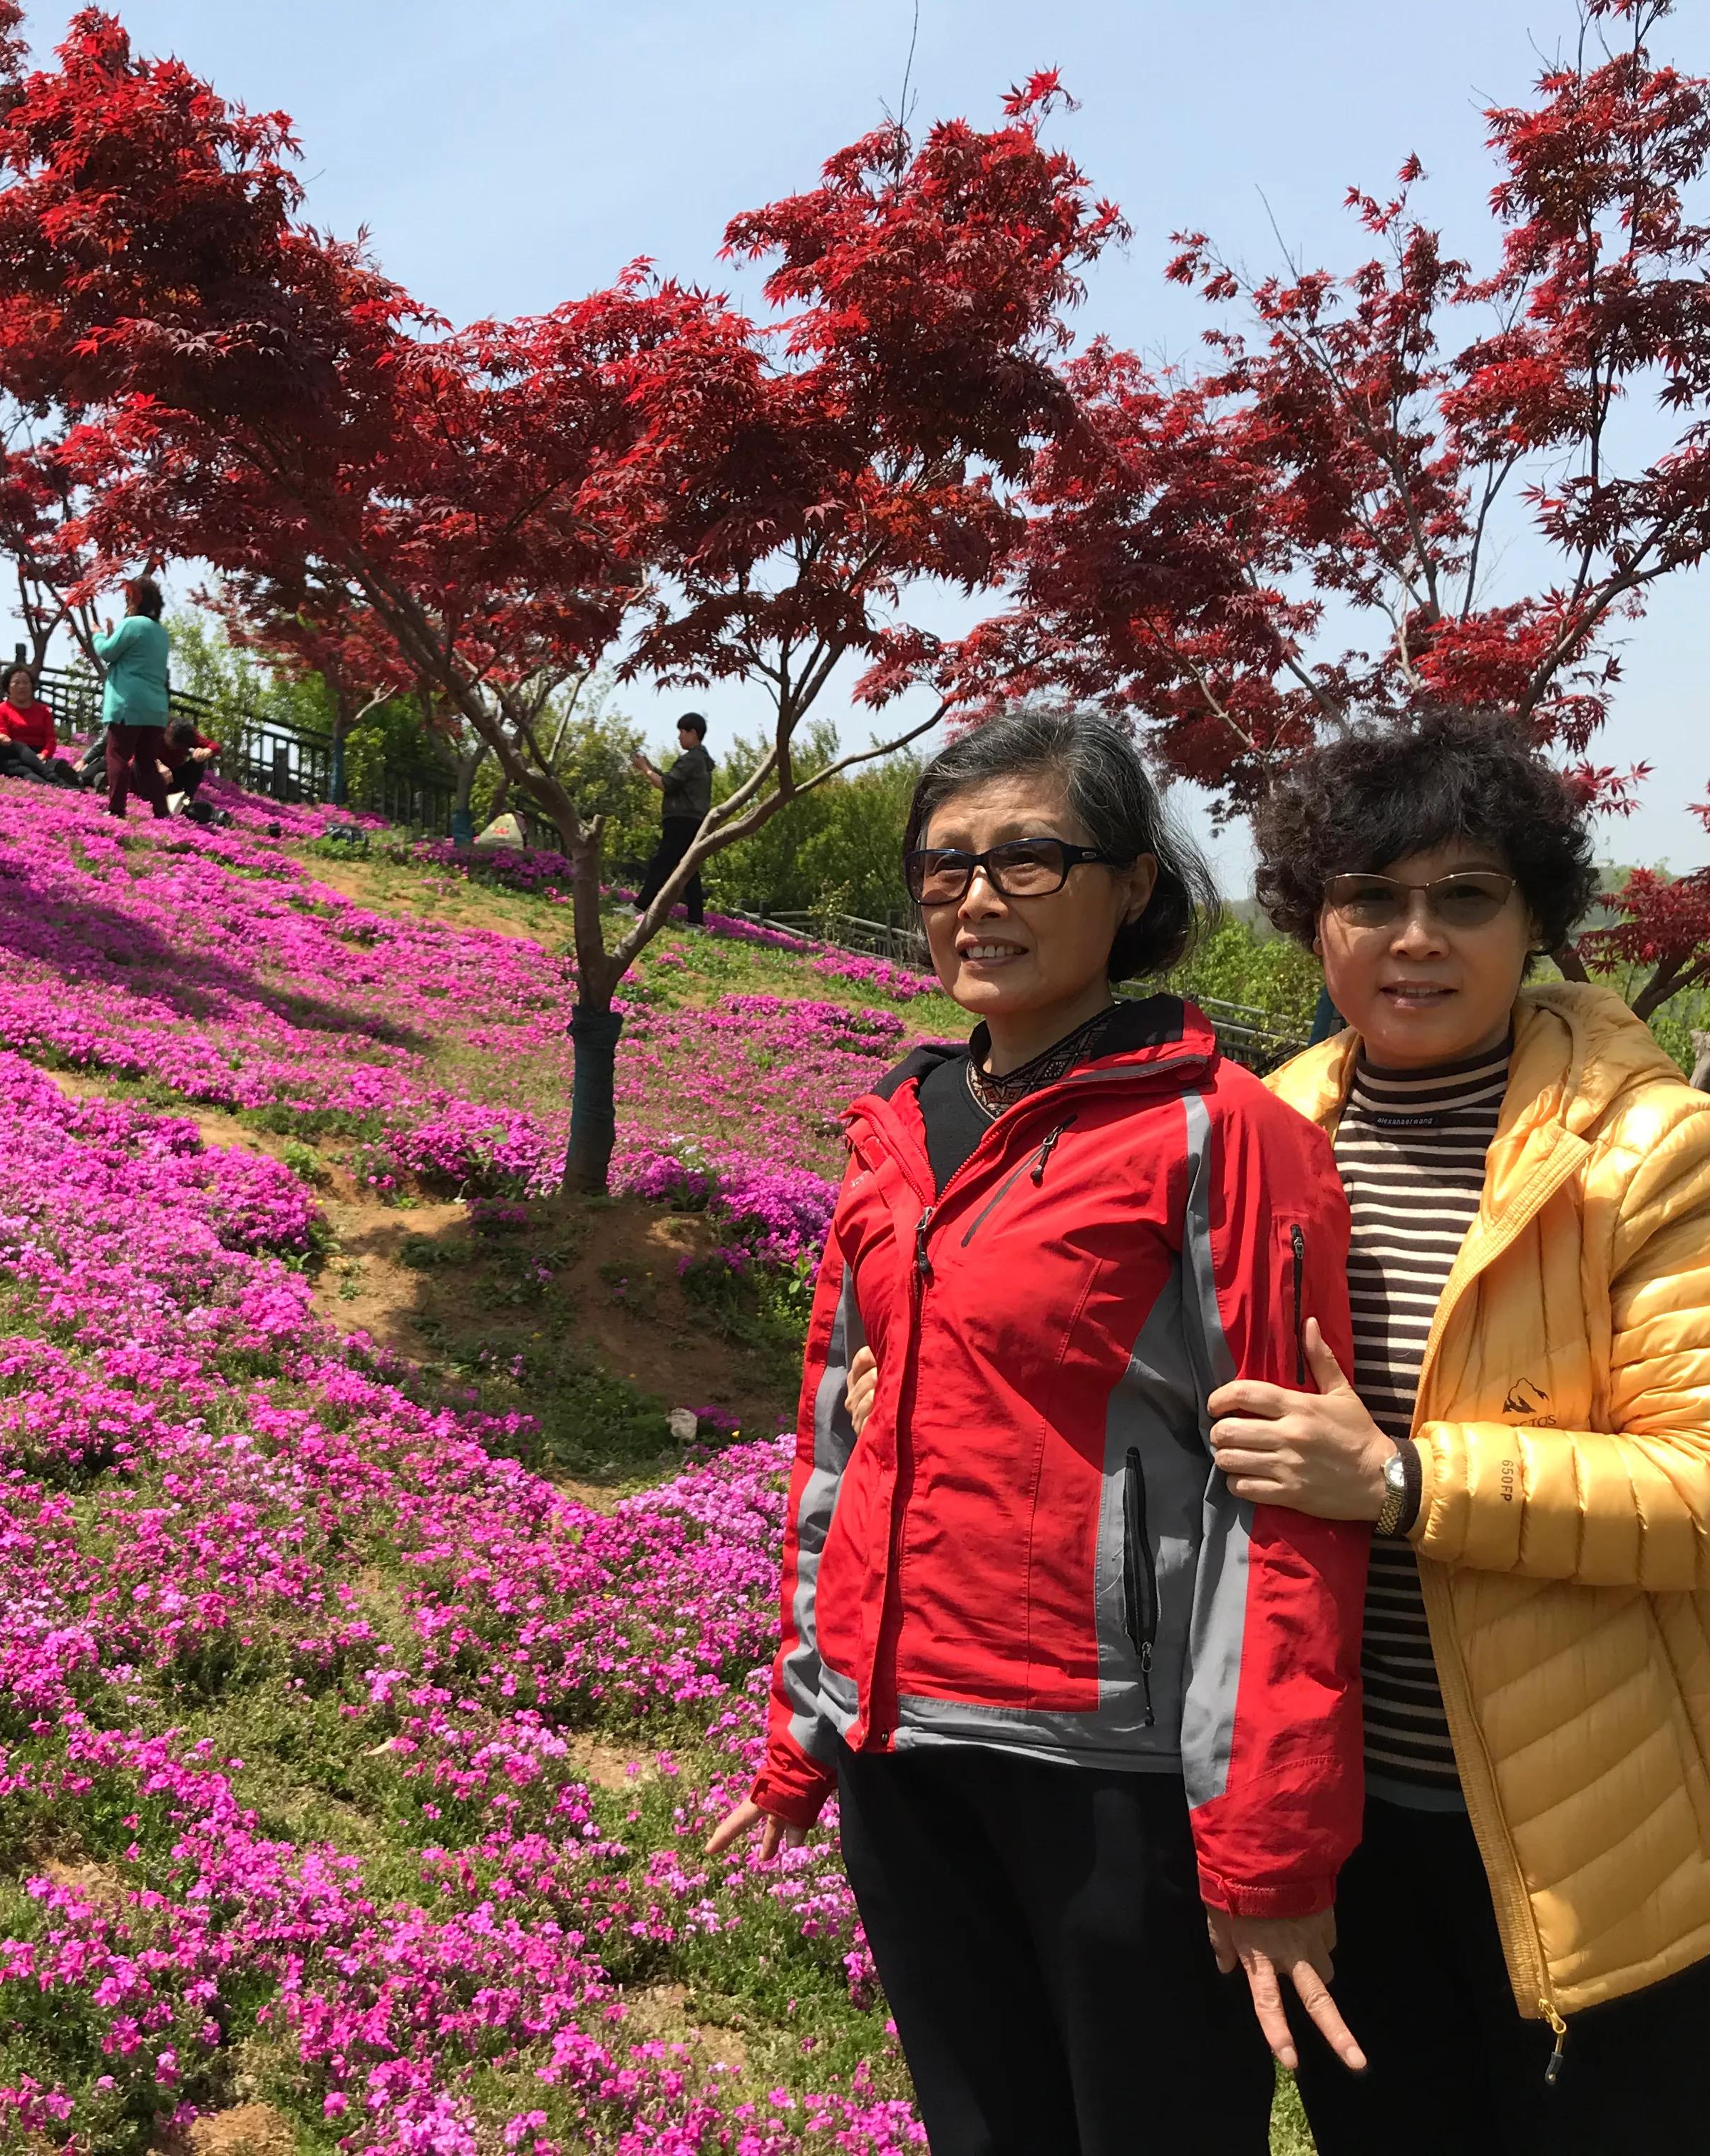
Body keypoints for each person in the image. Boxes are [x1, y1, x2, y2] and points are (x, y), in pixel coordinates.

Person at [714, 706, 1372, 2156]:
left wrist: (1269, 1838)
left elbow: (1291, 1509)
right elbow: (841, 1443)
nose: (976, 898)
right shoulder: (894, 1120)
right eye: (943, 865)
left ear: (1134, 886)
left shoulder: (1222, 1135)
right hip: (903, 1747)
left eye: (1029, 858)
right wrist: (804, 1725)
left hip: (1112, 1775)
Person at [1202, 709, 1710, 2155]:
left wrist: (1403, 1481)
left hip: (1611, 1848)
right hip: (1352, 1830)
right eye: (1370, 898)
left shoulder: (1656, 1154)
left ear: (1534, 918)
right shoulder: (1262, 1137)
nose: (1416, 939)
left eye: (1464, 898)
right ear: (1311, 921)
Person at [92, 575, 172, 818]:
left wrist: (98, 635)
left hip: (129, 704)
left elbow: (107, 652)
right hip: (155, 708)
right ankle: (162, 811)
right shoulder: (161, 633)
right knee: (147, 763)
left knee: (117, 755)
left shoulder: (132, 624)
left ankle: (116, 809)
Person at [629, 712, 714, 924]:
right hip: (693, 820)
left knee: (662, 863)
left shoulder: (692, 758)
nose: (679, 738)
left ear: (692, 733)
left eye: (681, 732)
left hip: (681, 820)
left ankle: (639, 906)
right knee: (688, 869)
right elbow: (673, 782)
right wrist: (650, 767)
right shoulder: (702, 760)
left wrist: (645, 769)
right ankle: (695, 920)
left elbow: (666, 784)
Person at [0, 664, 66, 763]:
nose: (22, 687)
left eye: (26, 683)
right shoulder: (1, 710)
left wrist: (44, 755)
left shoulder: (44, 711)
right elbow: (3, 739)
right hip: (15, 756)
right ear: (8, 687)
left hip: (41, 757)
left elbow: (50, 739)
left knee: (59, 765)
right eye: (16, 683)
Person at [161, 717, 221, 821]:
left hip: (173, 778)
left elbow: (215, 746)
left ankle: (186, 802)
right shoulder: (156, 730)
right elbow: (136, 756)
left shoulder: (188, 734)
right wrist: (158, 765)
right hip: (151, 776)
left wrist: (206, 751)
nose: (173, 748)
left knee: (198, 763)